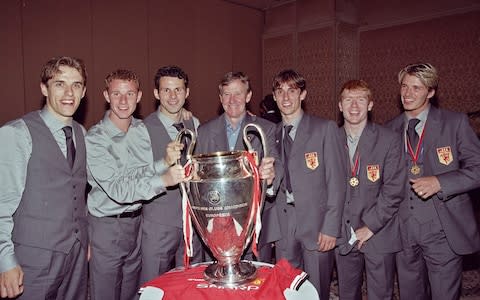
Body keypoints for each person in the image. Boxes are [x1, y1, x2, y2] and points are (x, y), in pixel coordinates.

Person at [86, 69, 186, 300]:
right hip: (107, 227)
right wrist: (164, 179)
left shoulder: (141, 130)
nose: (123, 101)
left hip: (137, 224)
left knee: (132, 293)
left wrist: (165, 162)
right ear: (106, 95)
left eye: (129, 94)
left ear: (139, 96)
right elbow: (119, 189)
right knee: (105, 294)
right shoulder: (95, 138)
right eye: (117, 94)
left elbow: (140, 173)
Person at [386, 63, 480, 300]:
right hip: (403, 230)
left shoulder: (454, 122)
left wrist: (440, 182)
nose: (407, 94)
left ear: (430, 92)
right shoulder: (389, 129)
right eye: (404, 87)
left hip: (443, 228)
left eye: (416, 88)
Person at [0, 56, 89, 299]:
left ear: (84, 91)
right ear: (44, 88)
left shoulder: (81, 133)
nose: (69, 92)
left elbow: (78, 193)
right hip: (33, 260)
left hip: (76, 257)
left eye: (77, 84)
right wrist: (5, 261)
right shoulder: (16, 133)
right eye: (60, 83)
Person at [271, 69, 346, 299]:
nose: (286, 97)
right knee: (288, 289)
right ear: (274, 96)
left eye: (292, 91)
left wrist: (331, 227)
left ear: (302, 94)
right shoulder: (271, 133)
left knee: (316, 290)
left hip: (317, 224)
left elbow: (337, 181)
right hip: (284, 225)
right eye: (280, 91)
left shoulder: (324, 129)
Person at [195, 71, 280, 263]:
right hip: (216, 227)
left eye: (238, 93)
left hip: (256, 225)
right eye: (227, 94)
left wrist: (271, 175)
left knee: (257, 285)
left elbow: (276, 162)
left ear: (248, 96)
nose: (232, 100)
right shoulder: (205, 132)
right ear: (220, 98)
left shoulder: (266, 129)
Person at [335, 80, 406, 300]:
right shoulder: (329, 139)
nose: (354, 106)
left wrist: (370, 227)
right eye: (348, 100)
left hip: (379, 232)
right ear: (340, 105)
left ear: (370, 104)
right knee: (347, 294)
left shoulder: (389, 139)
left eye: (361, 100)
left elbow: (394, 189)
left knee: (380, 295)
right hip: (342, 233)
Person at [140, 65, 204, 284]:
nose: (173, 96)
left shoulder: (194, 123)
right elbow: (138, 176)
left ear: (187, 93)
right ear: (156, 93)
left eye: (178, 89)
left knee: (190, 284)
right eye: (166, 90)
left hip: (191, 222)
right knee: (154, 285)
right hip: (159, 223)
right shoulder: (142, 128)